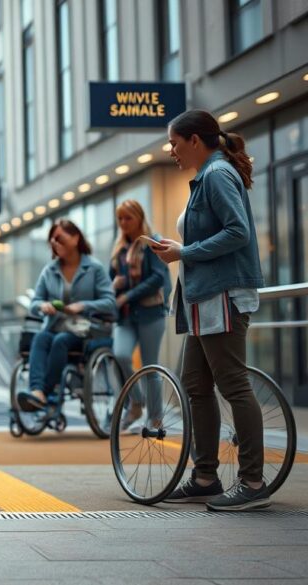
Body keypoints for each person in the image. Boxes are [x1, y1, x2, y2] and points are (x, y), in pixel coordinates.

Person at [151, 110, 267, 511]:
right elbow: (214, 233)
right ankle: (205, 477)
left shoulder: (216, 175)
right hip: (204, 299)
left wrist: (184, 252)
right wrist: (179, 248)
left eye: (175, 143)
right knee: (196, 385)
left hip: (223, 297)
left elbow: (238, 232)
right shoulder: (207, 177)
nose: (172, 151)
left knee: (232, 384)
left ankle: (252, 482)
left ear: (195, 140)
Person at [17, 219, 116, 412]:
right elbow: (34, 303)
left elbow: (110, 302)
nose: (54, 242)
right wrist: (43, 306)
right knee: (40, 338)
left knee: (60, 340)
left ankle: (45, 392)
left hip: (86, 331)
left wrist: (82, 306)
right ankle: (37, 391)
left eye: (59, 238)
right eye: (52, 240)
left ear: (75, 238)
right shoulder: (49, 270)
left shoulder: (94, 268)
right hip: (55, 326)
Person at [110, 200, 170, 431]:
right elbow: (110, 278)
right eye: (120, 219)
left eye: (128, 218)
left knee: (150, 366)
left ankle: (155, 418)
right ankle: (136, 402)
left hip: (150, 313)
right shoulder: (119, 248)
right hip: (125, 316)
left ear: (139, 217)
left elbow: (157, 277)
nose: (123, 223)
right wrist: (115, 285)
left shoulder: (152, 242)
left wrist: (128, 295)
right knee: (121, 355)